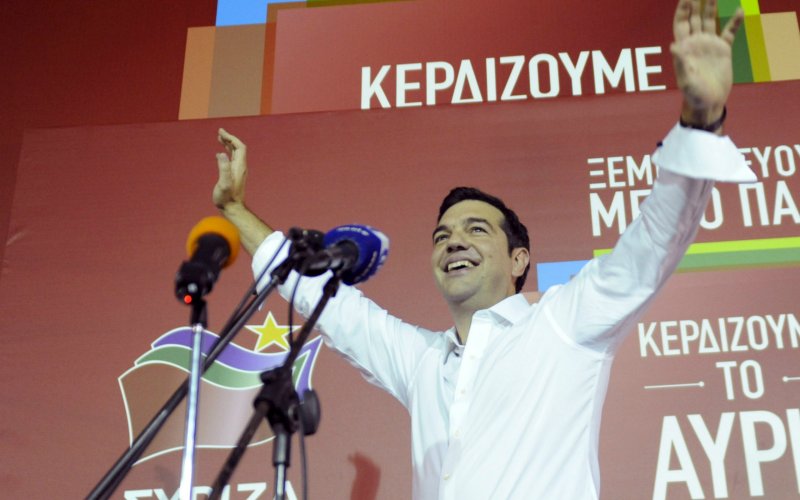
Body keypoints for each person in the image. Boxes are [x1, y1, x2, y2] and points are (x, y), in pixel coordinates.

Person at [211, 1, 754, 498]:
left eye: (476, 230)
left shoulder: (563, 324)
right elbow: (329, 303)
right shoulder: (423, 362)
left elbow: (652, 245)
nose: (454, 242)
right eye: (442, 236)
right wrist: (235, 210)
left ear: (519, 261)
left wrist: (701, 120)